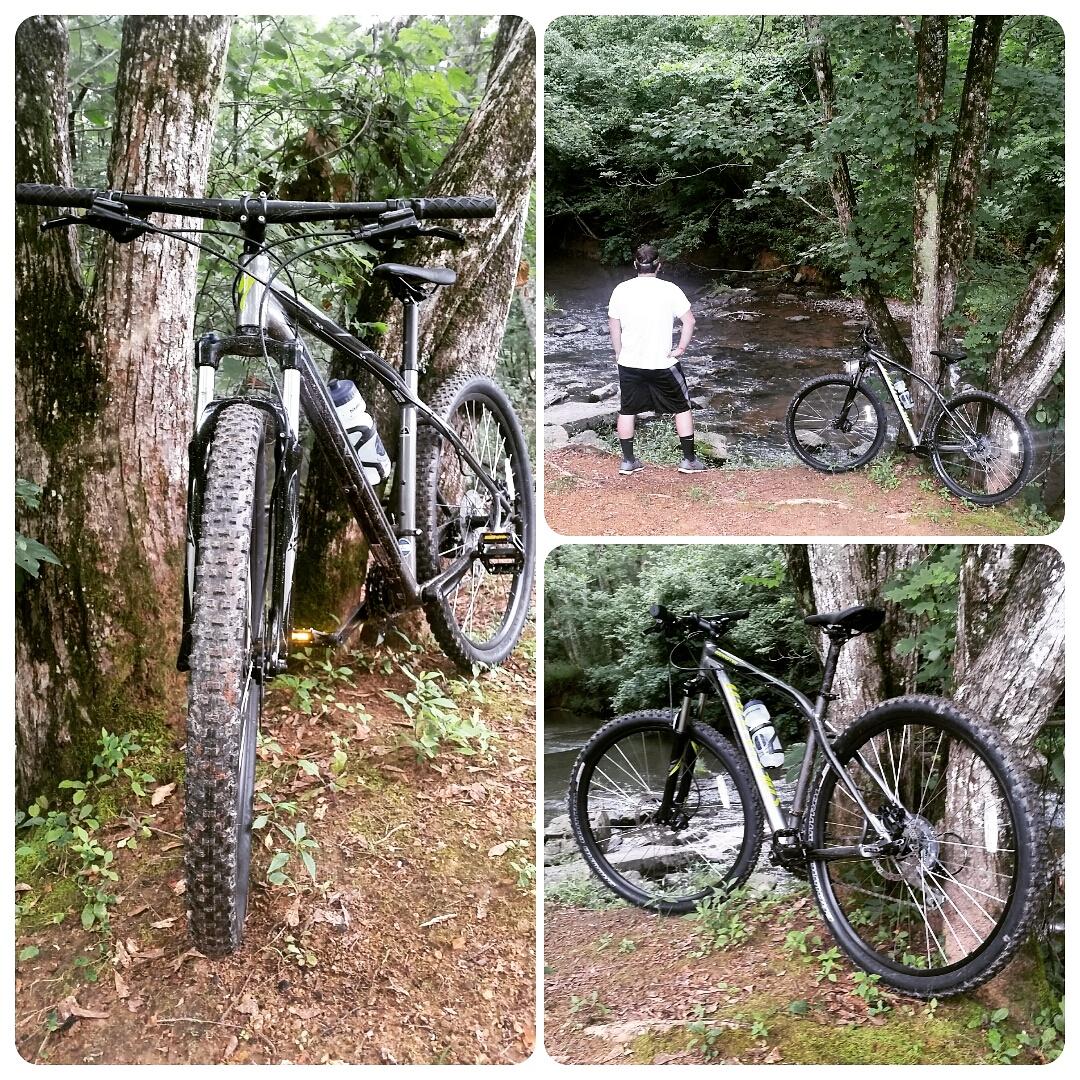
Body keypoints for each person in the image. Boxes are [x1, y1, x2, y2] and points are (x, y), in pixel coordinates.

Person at [607, 243, 703, 475]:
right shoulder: (670, 289)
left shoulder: (621, 289)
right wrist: (680, 348)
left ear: (635, 265)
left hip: (630, 362)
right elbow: (689, 321)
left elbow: (614, 324)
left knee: (627, 409)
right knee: (681, 407)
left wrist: (619, 353)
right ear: (659, 265)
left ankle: (628, 462)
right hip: (662, 362)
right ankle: (688, 461)